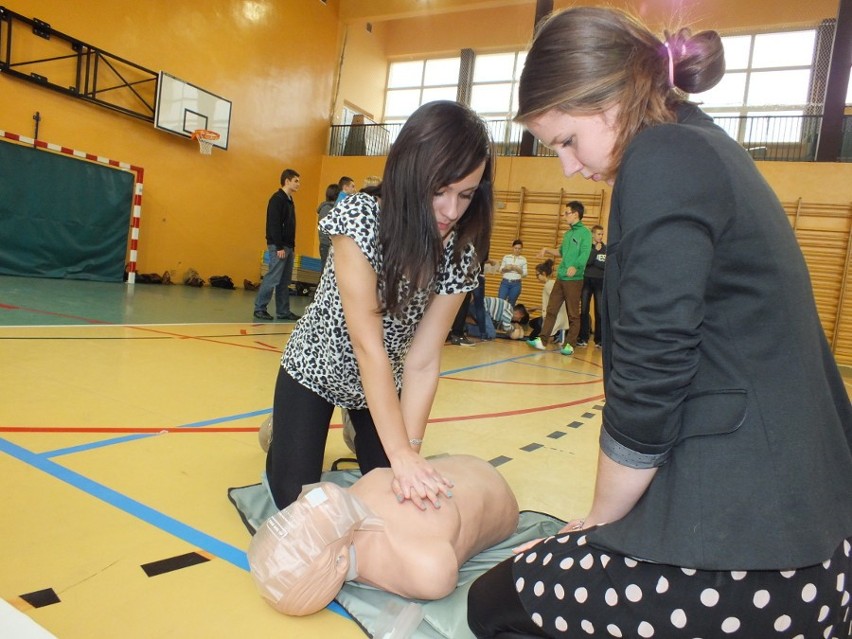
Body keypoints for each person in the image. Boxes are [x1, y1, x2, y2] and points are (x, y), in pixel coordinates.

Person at [468, 7, 852, 639]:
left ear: (612, 97)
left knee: (494, 602)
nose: (566, 166)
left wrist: (600, 517)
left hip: (757, 563)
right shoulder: (707, 145)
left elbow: (652, 374)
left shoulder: (661, 156)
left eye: (566, 139)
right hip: (820, 546)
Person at [264, 100, 494, 511]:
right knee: (294, 500)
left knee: (397, 493)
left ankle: (358, 426)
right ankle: (280, 430)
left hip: (382, 385)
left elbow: (422, 361)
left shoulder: (460, 253)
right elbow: (367, 345)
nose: (451, 210)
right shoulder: (360, 217)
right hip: (316, 369)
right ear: (409, 173)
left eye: (465, 194)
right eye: (439, 190)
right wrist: (400, 455)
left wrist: (408, 451)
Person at [248, 454, 519, 616]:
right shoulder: (423, 568)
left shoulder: (348, 507)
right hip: (501, 502)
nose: (307, 510)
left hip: (471, 470)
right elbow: (438, 573)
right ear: (340, 562)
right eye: (305, 534)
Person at [526, 200, 591, 356]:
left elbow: (585, 254)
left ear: (576, 214)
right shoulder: (568, 234)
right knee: (551, 310)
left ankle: (570, 344)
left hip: (574, 280)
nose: (564, 216)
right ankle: (542, 341)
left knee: (573, 314)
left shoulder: (585, 233)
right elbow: (561, 252)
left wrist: (576, 266)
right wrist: (546, 250)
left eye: (567, 213)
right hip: (561, 278)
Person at [253, 168, 301, 322]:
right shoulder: (277, 199)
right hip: (279, 246)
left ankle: (283, 311)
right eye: (296, 181)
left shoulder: (289, 200)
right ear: (287, 181)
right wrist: (279, 246)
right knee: (273, 277)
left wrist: (290, 247)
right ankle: (260, 308)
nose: (298, 184)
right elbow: (274, 224)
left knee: (284, 281)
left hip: (288, 246)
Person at [526, 259, 569, 344]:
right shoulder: (551, 283)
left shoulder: (549, 285)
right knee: (534, 327)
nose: (536, 277)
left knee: (535, 337)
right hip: (556, 314)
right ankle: (555, 335)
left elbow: (555, 302)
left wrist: (546, 315)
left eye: (537, 275)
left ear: (544, 274)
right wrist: (537, 308)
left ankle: (556, 335)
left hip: (555, 316)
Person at [577, 224, 606, 348]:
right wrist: (595, 252)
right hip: (586, 281)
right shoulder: (587, 247)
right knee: (584, 310)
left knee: (599, 311)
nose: (601, 236)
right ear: (593, 235)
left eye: (602, 234)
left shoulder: (606, 248)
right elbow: (586, 262)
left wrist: (594, 261)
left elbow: (605, 266)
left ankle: (599, 340)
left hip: (600, 282)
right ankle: (583, 338)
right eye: (599, 234)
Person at [317, 183, 341, 274]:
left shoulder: (335, 208)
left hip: (331, 244)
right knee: (325, 272)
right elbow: (324, 229)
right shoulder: (326, 209)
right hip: (326, 245)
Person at [497, 239, 527, 306]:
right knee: (500, 301)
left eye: (519, 248)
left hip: (516, 284)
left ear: (521, 249)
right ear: (512, 248)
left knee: (511, 304)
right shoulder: (506, 257)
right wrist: (506, 268)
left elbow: (525, 274)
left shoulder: (523, 259)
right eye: (515, 248)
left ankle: (508, 316)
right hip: (505, 282)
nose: (517, 250)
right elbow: (500, 270)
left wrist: (519, 270)